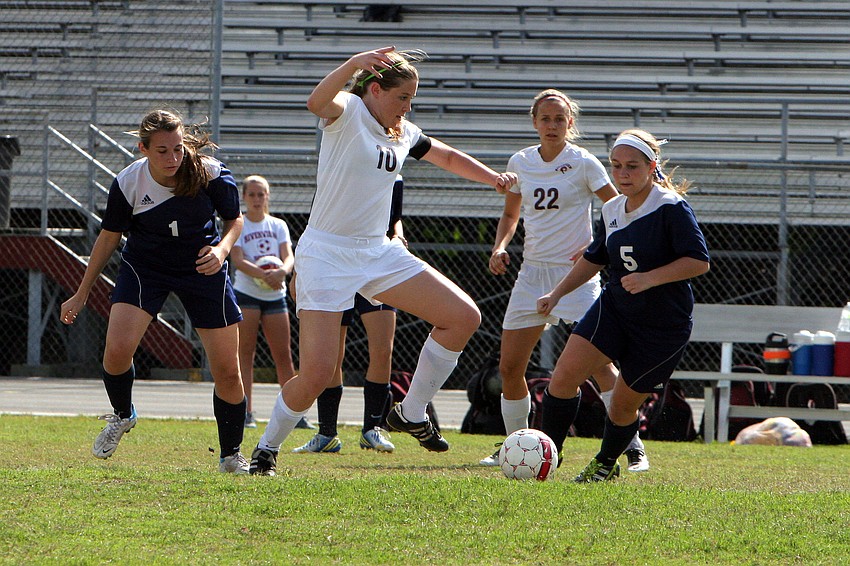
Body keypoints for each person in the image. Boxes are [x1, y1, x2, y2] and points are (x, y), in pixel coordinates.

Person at [248, 46, 517, 476]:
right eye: (402, 97)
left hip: (378, 251)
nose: (408, 107)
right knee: (317, 373)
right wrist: (353, 63)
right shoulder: (349, 109)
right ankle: (265, 451)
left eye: (412, 98)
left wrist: (494, 179)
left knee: (463, 316)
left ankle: (410, 412)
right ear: (375, 89)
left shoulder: (403, 131)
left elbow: (445, 156)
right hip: (326, 253)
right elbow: (315, 102)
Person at [60, 109, 251, 474]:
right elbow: (109, 237)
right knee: (116, 351)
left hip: (201, 266)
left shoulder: (210, 171)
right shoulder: (129, 181)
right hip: (146, 267)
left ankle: (230, 455)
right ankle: (122, 414)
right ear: (142, 149)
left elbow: (234, 219)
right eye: (162, 150)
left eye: (178, 148)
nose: (173, 158)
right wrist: (82, 292)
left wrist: (222, 250)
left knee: (227, 369)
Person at [478, 90, 649, 473]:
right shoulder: (521, 161)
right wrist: (500, 246)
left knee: (598, 364)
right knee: (510, 367)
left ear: (570, 123)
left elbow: (616, 206)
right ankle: (517, 445)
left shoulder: (584, 162)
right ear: (534, 122)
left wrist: (595, 247)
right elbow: (511, 213)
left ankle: (632, 444)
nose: (552, 125)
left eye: (560, 119)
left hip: (576, 277)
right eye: (546, 118)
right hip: (532, 273)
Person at [536, 128, 710, 482]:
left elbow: (699, 261)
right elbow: (595, 257)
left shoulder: (670, 208)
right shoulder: (612, 207)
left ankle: (604, 464)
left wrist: (650, 278)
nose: (623, 174)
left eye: (632, 166)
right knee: (563, 378)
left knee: (621, 406)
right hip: (615, 309)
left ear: (652, 166)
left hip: (662, 325)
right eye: (616, 166)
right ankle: (545, 459)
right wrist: (556, 294)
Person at [292, 176, 404, 454]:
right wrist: (299, 269)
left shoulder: (392, 168)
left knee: (382, 349)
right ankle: (326, 433)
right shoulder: (338, 169)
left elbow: (394, 218)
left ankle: (372, 429)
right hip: (337, 262)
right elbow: (317, 223)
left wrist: (398, 236)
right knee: (332, 353)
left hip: (375, 260)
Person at [229, 174, 302, 429]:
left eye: (261, 194)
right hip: (247, 294)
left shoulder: (278, 225)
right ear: (244, 197)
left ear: (268, 196)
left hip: (275, 295)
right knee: (245, 354)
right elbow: (237, 259)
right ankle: (245, 410)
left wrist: (281, 272)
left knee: (283, 356)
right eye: (252, 194)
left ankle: (294, 413)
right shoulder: (239, 224)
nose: (257, 199)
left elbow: (289, 256)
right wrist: (263, 274)